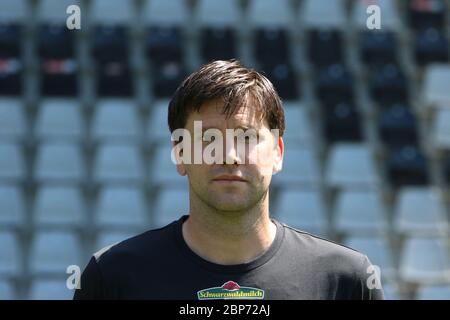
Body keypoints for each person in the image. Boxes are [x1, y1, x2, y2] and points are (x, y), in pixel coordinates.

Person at [74, 60, 384, 300]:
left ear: (277, 153)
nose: (230, 156)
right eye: (209, 138)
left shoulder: (345, 279)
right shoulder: (114, 276)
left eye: (247, 137)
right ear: (180, 154)